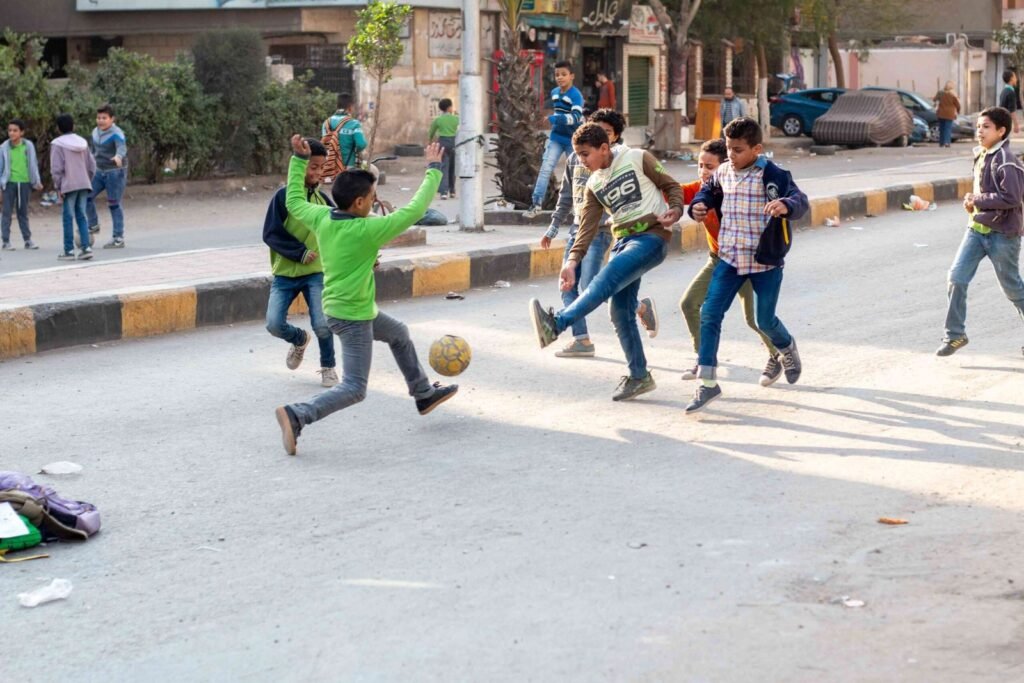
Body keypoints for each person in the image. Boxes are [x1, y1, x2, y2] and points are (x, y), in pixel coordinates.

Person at [274, 136, 458, 456]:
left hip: (344, 308)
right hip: (352, 316)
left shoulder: (323, 217)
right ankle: (299, 414)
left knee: (399, 333)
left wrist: (298, 160)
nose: (375, 202)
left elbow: (292, 201)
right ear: (359, 203)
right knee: (355, 388)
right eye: (372, 197)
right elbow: (414, 210)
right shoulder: (368, 230)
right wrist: (433, 169)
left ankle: (423, 393)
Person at [528, 122, 683, 401]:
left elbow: (670, 185)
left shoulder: (636, 158)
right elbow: (586, 227)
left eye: (585, 154)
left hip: (650, 237)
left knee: (605, 279)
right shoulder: (594, 183)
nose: (580, 161)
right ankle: (639, 376)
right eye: (576, 155)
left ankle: (558, 324)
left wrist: (674, 208)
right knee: (619, 312)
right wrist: (571, 261)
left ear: (604, 148)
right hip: (622, 241)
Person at [686, 116, 808, 414]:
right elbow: (707, 194)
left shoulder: (773, 174)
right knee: (710, 313)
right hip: (728, 259)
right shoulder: (723, 173)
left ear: (757, 149)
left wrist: (786, 205)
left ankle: (786, 348)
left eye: (738, 149)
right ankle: (708, 382)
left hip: (763, 262)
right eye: (728, 148)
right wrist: (697, 207)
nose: (731, 155)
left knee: (765, 321)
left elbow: (799, 199)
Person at [540, 109, 659, 358]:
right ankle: (581, 339)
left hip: (602, 229)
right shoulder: (575, 159)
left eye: (607, 133)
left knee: (591, 286)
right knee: (567, 285)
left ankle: (638, 307)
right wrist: (553, 227)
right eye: (596, 129)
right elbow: (566, 195)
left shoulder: (623, 161)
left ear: (612, 139)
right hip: (577, 228)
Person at [678, 138, 780, 384]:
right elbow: (673, 191)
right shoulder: (700, 189)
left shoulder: (736, 190)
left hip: (746, 261)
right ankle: (704, 358)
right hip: (718, 260)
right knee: (689, 304)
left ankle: (777, 356)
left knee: (755, 319)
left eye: (709, 167)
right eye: (700, 165)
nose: (703, 172)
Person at [937, 106, 1024, 358]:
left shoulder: (1007, 162)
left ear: (1001, 131)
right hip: (976, 229)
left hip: (1003, 234)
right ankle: (955, 335)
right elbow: (983, 193)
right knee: (956, 277)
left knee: (1012, 289)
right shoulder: (982, 154)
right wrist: (973, 202)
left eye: (986, 127)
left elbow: (1012, 197)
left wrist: (978, 199)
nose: (979, 131)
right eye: (978, 127)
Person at [262, 138, 338, 388]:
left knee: (322, 324)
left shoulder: (324, 202)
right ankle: (299, 339)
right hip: (285, 274)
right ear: (300, 165)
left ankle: (328, 366)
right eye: (312, 166)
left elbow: (339, 234)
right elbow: (271, 233)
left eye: (320, 167)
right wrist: (300, 252)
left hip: (316, 273)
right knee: (273, 324)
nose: (317, 172)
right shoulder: (283, 197)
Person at [525, 61, 585, 218]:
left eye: (563, 74)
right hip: (556, 138)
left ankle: (577, 207)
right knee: (545, 169)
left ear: (572, 76)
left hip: (574, 140)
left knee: (576, 173)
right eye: (557, 75)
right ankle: (536, 204)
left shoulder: (576, 95)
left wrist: (553, 119)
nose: (560, 77)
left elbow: (576, 117)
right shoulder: (554, 92)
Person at [50, 114, 97, 262]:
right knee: (82, 216)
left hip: (68, 185)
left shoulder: (57, 144)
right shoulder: (82, 142)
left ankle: (68, 250)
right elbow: (92, 166)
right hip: (83, 183)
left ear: (58, 128)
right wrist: (87, 180)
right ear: (73, 126)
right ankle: (86, 248)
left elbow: (56, 169)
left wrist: (58, 187)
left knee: (67, 217)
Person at [85, 104, 128, 249]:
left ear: (112, 119)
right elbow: (92, 150)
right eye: (98, 118)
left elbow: (121, 147)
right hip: (99, 171)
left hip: (115, 172)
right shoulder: (95, 132)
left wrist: (118, 156)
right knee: (86, 196)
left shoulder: (117, 133)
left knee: (114, 204)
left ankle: (118, 238)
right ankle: (93, 224)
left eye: (104, 118)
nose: (101, 121)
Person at [0, 119, 42, 251]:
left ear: (22, 132)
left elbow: (33, 164)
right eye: (10, 130)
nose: (11, 133)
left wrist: (36, 181)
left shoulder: (28, 146)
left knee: (22, 213)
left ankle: (27, 240)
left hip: (24, 184)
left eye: (15, 130)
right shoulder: (3, 148)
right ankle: (6, 241)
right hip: (9, 184)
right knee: (6, 213)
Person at [322, 93, 367, 173]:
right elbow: (361, 144)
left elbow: (324, 144)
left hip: (330, 167)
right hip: (348, 165)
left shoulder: (326, 123)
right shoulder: (354, 123)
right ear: (350, 107)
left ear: (337, 106)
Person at [428, 98, 459, 200]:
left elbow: (431, 132)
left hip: (443, 143)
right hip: (454, 143)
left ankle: (444, 192)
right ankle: (452, 191)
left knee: (443, 167)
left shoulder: (438, 120)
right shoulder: (456, 119)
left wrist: (430, 142)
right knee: (453, 167)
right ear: (449, 107)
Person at [936, 81, 960, 148]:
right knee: (948, 129)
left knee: (942, 129)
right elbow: (957, 105)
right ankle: (947, 142)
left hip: (941, 113)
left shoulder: (940, 93)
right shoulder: (953, 95)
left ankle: (941, 143)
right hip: (949, 114)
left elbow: (934, 99)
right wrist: (958, 111)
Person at [998, 70, 1021, 135]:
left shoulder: (1004, 91)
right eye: (1015, 77)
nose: (1016, 79)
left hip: (1001, 122)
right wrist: (1016, 125)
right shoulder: (1010, 92)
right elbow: (1012, 111)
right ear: (1011, 78)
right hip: (1005, 123)